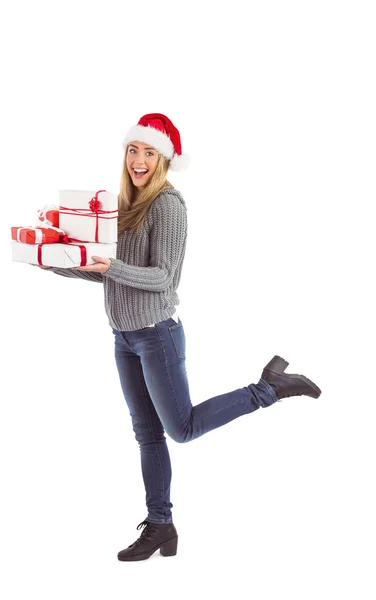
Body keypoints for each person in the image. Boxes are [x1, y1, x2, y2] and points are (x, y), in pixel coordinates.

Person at [37, 113, 322, 562]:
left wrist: (109, 267)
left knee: (181, 429)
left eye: (150, 152)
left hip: (157, 336)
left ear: (165, 159)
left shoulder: (168, 204)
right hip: (124, 338)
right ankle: (161, 526)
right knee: (147, 435)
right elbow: (114, 279)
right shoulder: (123, 205)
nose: (139, 159)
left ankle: (268, 389)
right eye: (134, 150)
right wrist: (53, 259)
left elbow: (162, 279)